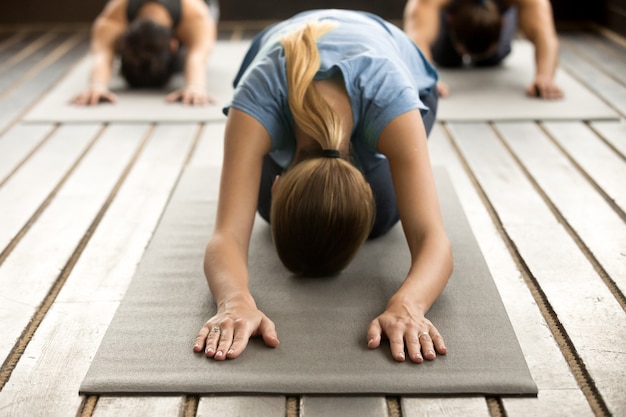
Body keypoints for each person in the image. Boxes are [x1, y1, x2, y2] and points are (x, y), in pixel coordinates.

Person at [192, 9, 453, 364]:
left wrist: (409, 305)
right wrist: (233, 300)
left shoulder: (390, 99)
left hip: (395, 65)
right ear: (277, 182)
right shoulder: (257, 99)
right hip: (284, 46)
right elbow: (227, 236)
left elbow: (432, 238)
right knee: (297, 216)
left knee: (379, 217)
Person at [403, 0, 563, 99]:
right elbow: (417, 36)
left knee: (492, 59)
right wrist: (426, 77)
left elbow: (545, 34)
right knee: (446, 59)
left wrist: (544, 77)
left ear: (502, 22)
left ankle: (491, 52)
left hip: (495, 22)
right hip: (450, 32)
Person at [72, 0, 219, 106]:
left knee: (180, 64)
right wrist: (97, 85)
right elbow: (102, 55)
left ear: (174, 44)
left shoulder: (196, 14)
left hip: (195, 12)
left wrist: (196, 86)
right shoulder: (112, 16)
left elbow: (197, 57)